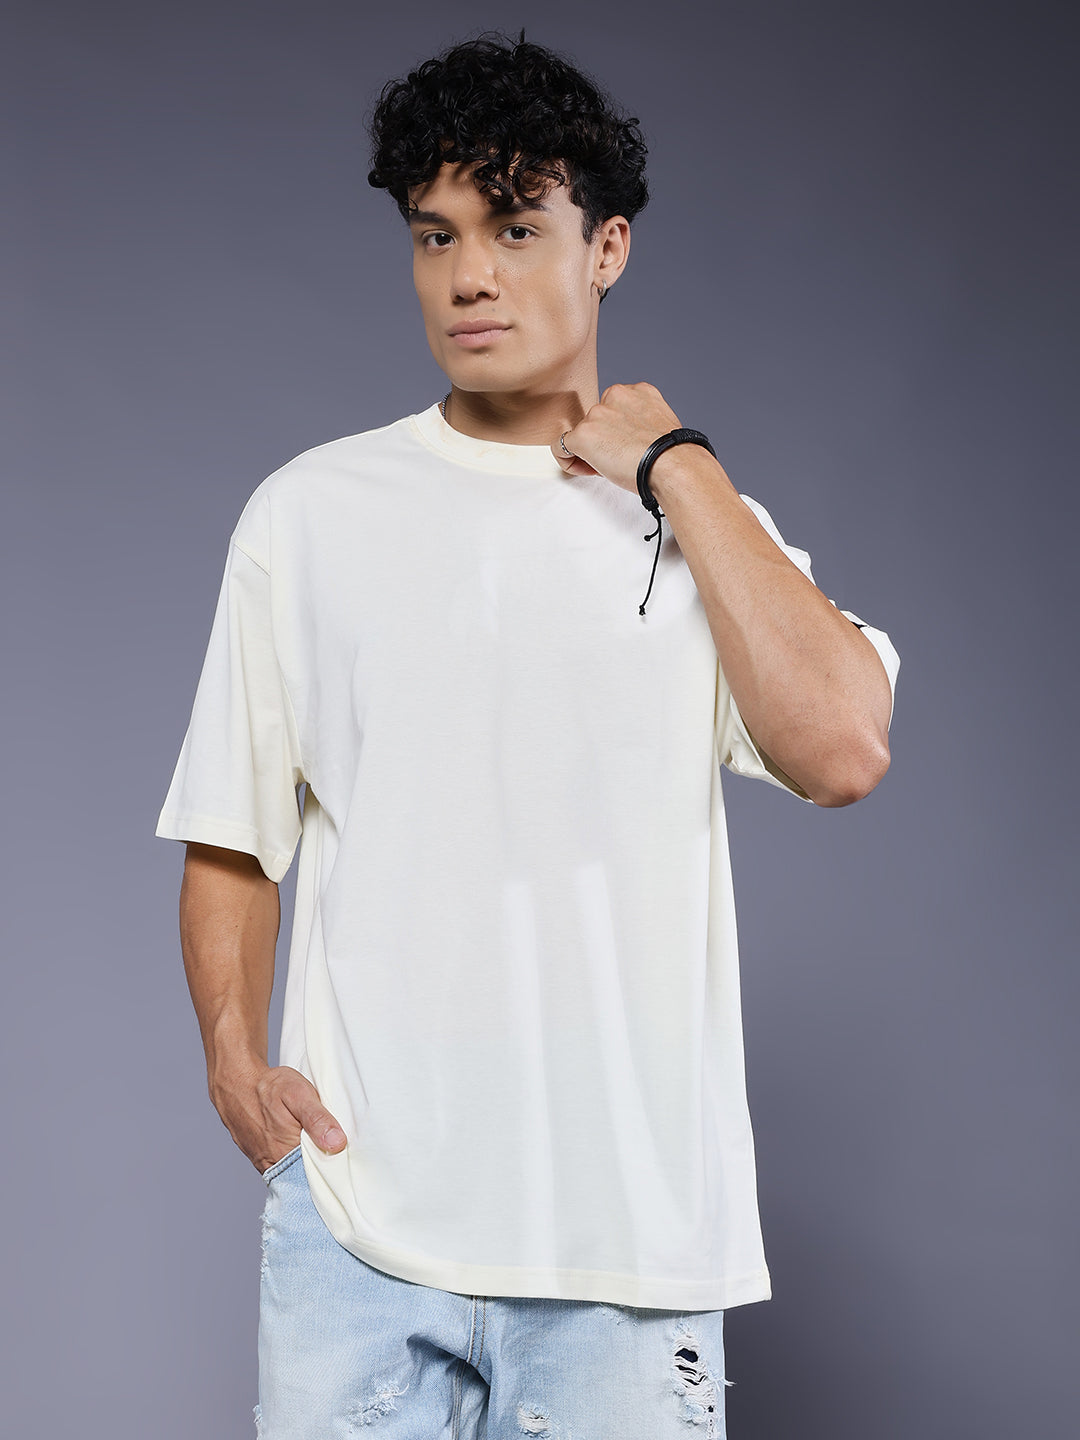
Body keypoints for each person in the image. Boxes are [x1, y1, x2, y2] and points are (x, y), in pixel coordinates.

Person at [155, 29, 899, 1440]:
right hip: (359, 1230)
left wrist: (678, 469)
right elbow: (231, 834)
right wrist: (235, 1067)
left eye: (513, 228)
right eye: (435, 235)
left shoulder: (700, 532)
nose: (469, 277)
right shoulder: (309, 516)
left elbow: (844, 748)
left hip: (627, 1255)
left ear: (607, 247)